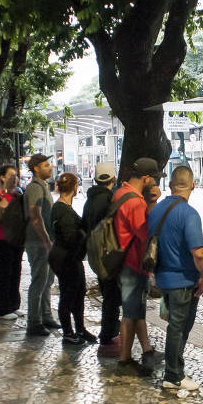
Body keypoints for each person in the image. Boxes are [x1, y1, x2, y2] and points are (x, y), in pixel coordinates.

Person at [148, 166, 203, 391]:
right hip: (183, 282)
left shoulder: (156, 211)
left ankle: (176, 369)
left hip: (163, 279)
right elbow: (199, 254)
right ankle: (173, 375)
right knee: (178, 327)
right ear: (192, 185)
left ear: (171, 185)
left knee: (176, 325)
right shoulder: (188, 213)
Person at [114, 157, 165, 376]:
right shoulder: (136, 202)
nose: (154, 182)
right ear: (145, 178)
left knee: (137, 311)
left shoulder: (120, 192)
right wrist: (153, 203)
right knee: (130, 314)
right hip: (133, 265)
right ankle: (124, 361)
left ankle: (147, 350)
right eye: (153, 178)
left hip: (125, 262)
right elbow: (146, 234)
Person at [48, 173, 95, 345]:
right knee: (68, 294)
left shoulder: (61, 207)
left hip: (68, 257)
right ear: (75, 187)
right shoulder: (62, 210)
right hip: (66, 258)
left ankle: (80, 329)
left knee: (78, 293)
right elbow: (70, 237)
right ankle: (68, 332)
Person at [82, 162, 121, 357]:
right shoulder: (109, 201)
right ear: (113, 180)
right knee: (112, 297)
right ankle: (108, 334)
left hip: (95, 255)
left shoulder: (89, 201)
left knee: (108, 294)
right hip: (108, 255)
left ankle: (110, 332)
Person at [24, 154, 61, 336]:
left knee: (47, 281)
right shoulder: (35, 188)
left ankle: (46, 316)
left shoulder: (43, 186)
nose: (50, 167)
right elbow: (35, 216)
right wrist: (47, 241)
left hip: (45, 242)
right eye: (46, 165)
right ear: (36, 168)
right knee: (39, 281)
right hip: (37, 242)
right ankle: (34, 322)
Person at [0, 165, 24, 320]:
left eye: (16, 175)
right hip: (1, 240)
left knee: (16, 273)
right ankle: (2, 310)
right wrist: (2, 211)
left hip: (17, 240)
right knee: (5, 274)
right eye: (11, 175)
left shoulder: (18, 195)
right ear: (2, 177)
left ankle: (13, 305)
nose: (15, 178)